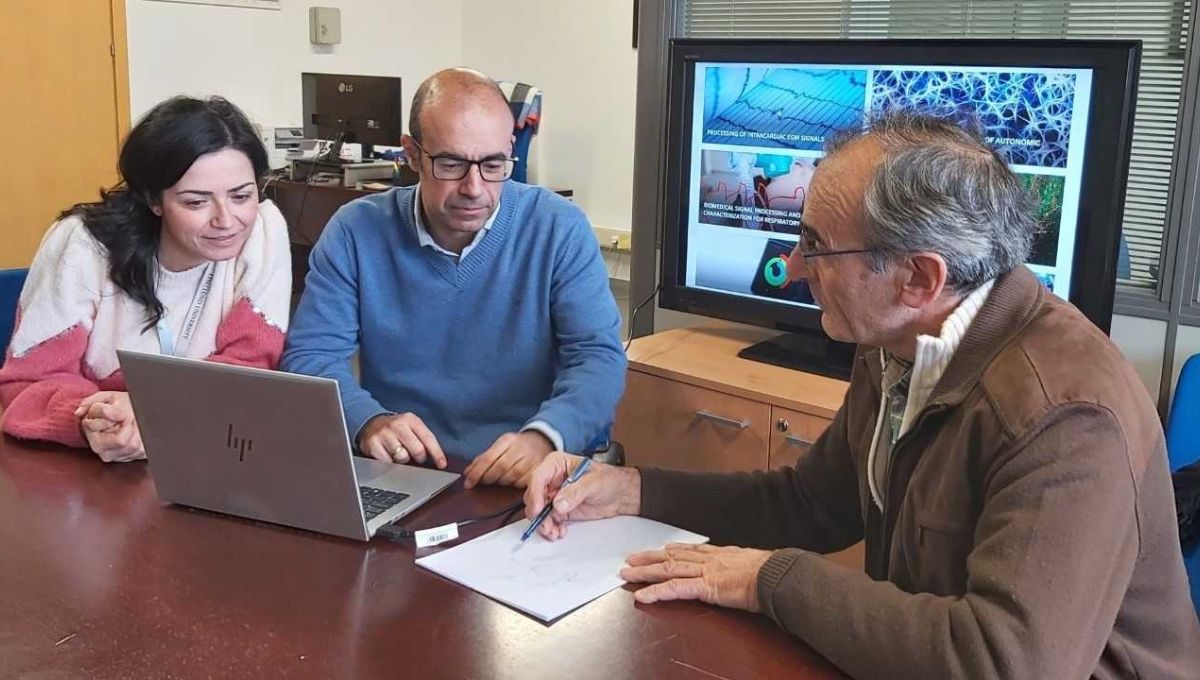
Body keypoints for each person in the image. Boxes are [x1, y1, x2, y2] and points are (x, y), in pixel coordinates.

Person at [524, 111, 1200, 677]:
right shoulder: (895, 343)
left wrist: (768, 580)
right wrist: (637, 490)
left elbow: (1005, 661)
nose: (790, 267)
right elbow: (816, 504)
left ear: (919, 279)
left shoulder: (1065, 412)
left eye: (815, 246)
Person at [280, 68, 625, 488]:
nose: (474, 188)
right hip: (404, 473)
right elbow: (311, 356)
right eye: (451, 164)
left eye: (494, 164)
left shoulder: (558, 228)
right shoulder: (356, 230)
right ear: (411, 154)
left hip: (525, 477)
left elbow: (597, 357)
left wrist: (544, 436)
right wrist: (368, 421)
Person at [0, 96, 291, 463]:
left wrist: (156, 409)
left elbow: (253, 369)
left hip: (204, 453)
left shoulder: (263, 231)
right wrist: (94, 420)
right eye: (196, 202)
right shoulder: (83, 245)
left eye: (241, 196)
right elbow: (26, 385)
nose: (226, 220)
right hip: (88, 466)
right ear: (154, 200)